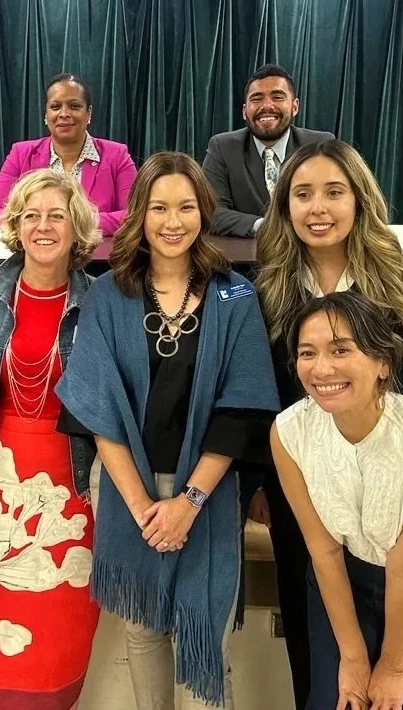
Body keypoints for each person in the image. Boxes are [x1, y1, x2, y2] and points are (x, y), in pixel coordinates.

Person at [56, 152, 280, 709]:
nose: (172, 221)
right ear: (139, 214)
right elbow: (98, 409)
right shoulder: (109, 294)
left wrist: (189, 502)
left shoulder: (235, 296)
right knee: (144, 630)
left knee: (203, 632)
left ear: (205, 213)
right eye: (159, 207)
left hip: (205, 491)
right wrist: (139, 506)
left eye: (185, 207)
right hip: (128, 486)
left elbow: (241, 412)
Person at [249, 138, 403, 709]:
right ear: (284, 207)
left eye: (334, 193)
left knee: (394, 657)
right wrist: (264, 484)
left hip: (397, 494)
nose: (319, 209)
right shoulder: (267, 288)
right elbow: (259, 395)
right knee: (316, 651)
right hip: (306, 495)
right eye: (303, 194)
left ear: (360, 199)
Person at [271, 291, 403, 710]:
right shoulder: (289, 432)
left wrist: (392, 667)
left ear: (383, 363)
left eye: (341, 350)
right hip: (345, 578)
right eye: (307, 353)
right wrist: (352, 658)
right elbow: (323, 549)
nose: (321, 368)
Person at [0, 169, 102, 709]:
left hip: (73, 488)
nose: (43, 226)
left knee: (57, 633)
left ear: (77, 226)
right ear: (15, 227)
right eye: (31, 216)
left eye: (57, 215)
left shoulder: (103, 303)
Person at [0, 73, 138, 236]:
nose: (64, 113)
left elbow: (134, 216)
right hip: (35, 255)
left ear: (89, 113)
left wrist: (74, 221)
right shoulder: (21, 154)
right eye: (55, 107)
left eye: (74, 106)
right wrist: (37, 224)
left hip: (95, 258)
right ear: (46, 115)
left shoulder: (117, 156)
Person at [203, 63, 334, 238]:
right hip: (245, 261)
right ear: (244, 111)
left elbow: (337, 200)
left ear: (295, 106)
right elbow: (211, 211)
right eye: (256, 99)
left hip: (309, 255)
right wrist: (265, 226)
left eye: (278, 97)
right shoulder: (222, 147)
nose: (267, 105)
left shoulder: (320, 145)